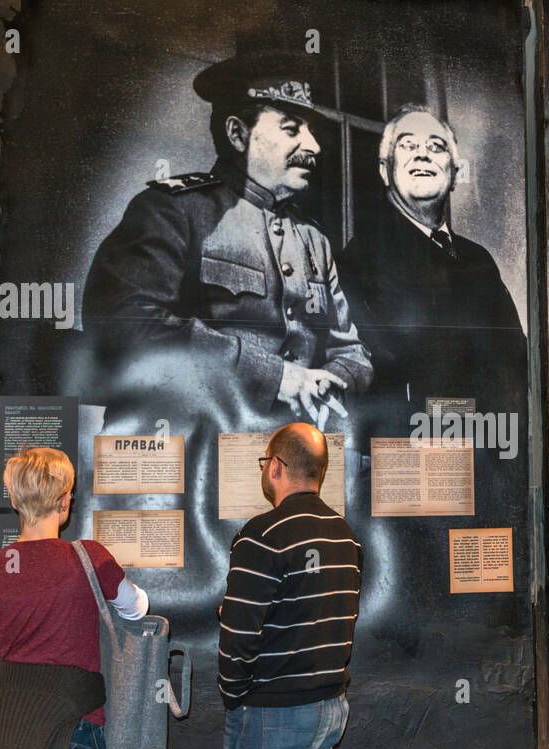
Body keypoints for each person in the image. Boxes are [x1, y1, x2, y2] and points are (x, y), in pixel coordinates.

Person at [80, 47, 372, 628]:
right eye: (291, 128)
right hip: (193, 500)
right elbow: (127, 325)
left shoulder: (314, 243)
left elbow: (352, 351)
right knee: (196, 646)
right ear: (239, 133)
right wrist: (278, 375)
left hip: (293, 495)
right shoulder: (172, 212)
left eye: (311, 130)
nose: (313, 146)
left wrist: (330, 382)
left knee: (294, 632)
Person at [0, 447, 150, 749]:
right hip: (71, 729)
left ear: (14, 500)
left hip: (3, 731)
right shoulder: (90, 558)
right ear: (65, 502)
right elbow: (137, 609)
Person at [219, 422, 362, 749]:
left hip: (271, 716)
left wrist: (235, 695)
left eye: (266, 463)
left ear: (276, 467)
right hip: (327, 709)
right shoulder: (346, 536)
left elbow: (239, 634)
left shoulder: (261, 536)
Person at [338, 103, 525, 409]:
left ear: (454, 174)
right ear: (385, 170)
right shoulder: (360, 258)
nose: (422, 154)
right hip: (417, 441)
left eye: (435, 147)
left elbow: (514, 353)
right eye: (408, 145)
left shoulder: (478, 259)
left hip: (492, 442)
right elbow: (381, 373)